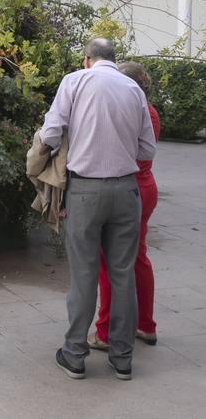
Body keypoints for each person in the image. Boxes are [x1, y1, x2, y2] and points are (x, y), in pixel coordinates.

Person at [39, 38, 157, 381]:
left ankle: (74, 354)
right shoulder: (133, 89)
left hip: (85, 190)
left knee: (84, 275)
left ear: (86, 58)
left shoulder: (74, 81)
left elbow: (50, 133)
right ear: (114, 59)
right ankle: (122, 357)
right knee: (122, 275)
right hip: (126, 190)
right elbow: (147, 148)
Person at [89, 61, 161, 350]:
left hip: (127, 190)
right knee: (139, 258)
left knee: (109, 262)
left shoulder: (130, 111)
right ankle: (146, 324)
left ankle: (105, 332)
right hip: (146, 187)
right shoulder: (150, 111)